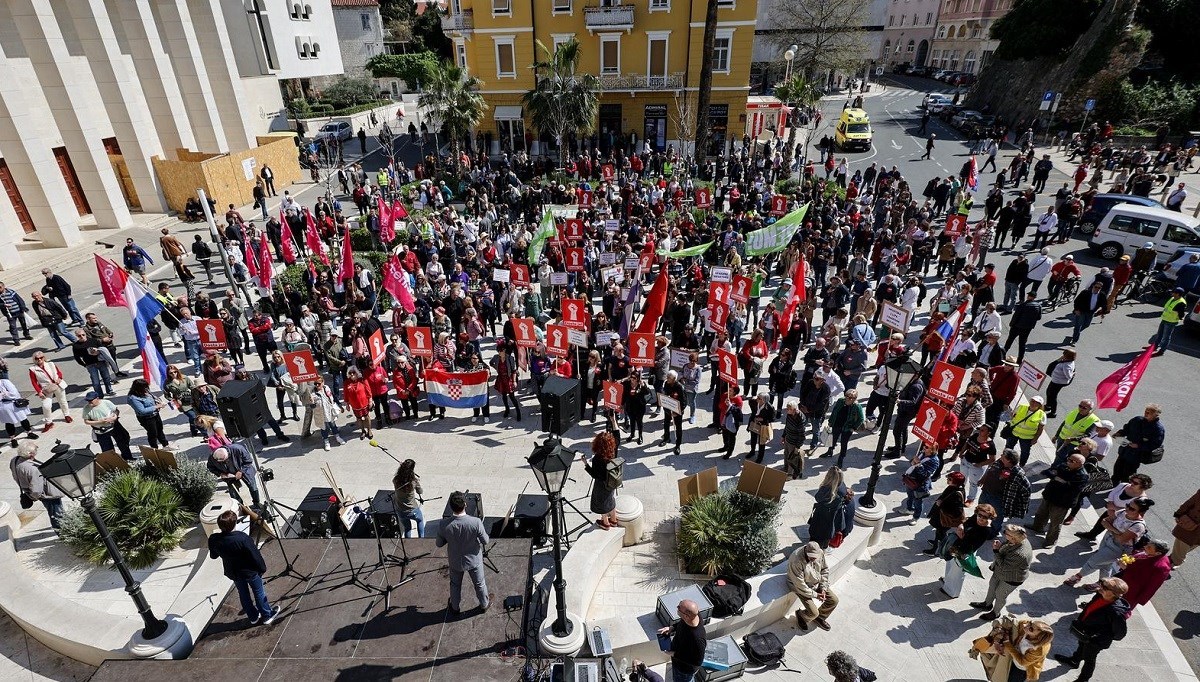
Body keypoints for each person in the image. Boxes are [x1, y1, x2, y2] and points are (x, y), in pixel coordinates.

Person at [208, 510, 279, 626]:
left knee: (243, 594)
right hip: (250, 572)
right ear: (234, 524)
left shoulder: (214, 539)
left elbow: (213, 556)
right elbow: (255, 555)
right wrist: (262, 569)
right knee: (259, 593)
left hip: (234, 572)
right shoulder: (242, 538)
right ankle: (267, 615)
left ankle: (253, 617)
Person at [1052, 578, 1129, 681]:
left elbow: (1120, 633)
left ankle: (1083, 679)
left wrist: (1101, 636)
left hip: (1096, 640)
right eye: (1102, 584)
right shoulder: (1099, 595)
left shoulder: (1116, 612)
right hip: (1085, 631)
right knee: (1081, 646)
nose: (1101, 587)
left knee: (1089, 659)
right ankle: (1074, 661)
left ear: (1114, 593)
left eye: (1105, 587)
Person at [1065, 498, 1153, 586]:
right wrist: (1117, 532)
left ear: (1140, 512)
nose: (1127, 508)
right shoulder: (1122, 512)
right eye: (1128, 505)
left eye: (1132, 508)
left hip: (1119, 548)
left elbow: (1121, 539)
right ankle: (1103, 584)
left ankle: (1077, 577)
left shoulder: (1138, 526)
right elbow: (1104, 521)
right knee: (1106, 565)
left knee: (1094, 560)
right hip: (1107, 539)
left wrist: (1111, 528)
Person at [436, 491, 491, 614]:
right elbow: (485, 541)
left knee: (455, 585)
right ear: (465, 504)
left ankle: (455, 608)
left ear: (451, 507)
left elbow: (439, 544)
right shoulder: (475, 522)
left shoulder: (444, 524)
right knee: (479, 584)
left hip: (455, 560)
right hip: (474, 560)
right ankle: (484, 604)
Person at [971, 524, 1033, 621]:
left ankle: (995, 613)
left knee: (1000, 594)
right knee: (992, 586)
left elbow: (1004, 566)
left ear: (1013, 537)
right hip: (1000, 571)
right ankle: (987, 604)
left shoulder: (1020, 554)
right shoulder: (1016, 539)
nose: (1003, 534)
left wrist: (996, 551)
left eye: (1005, 533)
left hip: (1012, 577)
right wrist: (1001, 547)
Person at [1027, 454, 1088, 548]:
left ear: (1079, 464)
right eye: (1069, 459)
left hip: (1062, 502)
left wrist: (1058, 479)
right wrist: (1059, 479)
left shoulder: (1082, 476)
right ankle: (1037, 527)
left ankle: (1051, 541)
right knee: (1041, 513)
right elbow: (1050, 473)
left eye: (1072, 461)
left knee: (1055, 523)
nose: (1068, 461)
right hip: (1050, 494)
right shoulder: (1064, 466)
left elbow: (1072, 489)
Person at [9, 441, 64, 530]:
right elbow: (36, 490)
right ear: (31, 454)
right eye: (35, 451)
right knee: (57, 515)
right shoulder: (33, 469)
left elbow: (15, 476)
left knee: (54, 513)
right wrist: (34, 497)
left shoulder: (14, 460)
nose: (36, 452)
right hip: (48, 495)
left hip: (28, 490)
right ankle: (62, 532)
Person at [788, 541, 838, 631]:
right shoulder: (796, 560)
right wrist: (816, 595)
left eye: (815, 557)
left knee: (834, 601)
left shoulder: (820, 553)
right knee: (814, 613)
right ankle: (801, 615)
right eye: (811, 556)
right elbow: (800, 585)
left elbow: (824, 569)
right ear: (806, 552)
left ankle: (820, 617)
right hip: (800, 587)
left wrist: (823, 588)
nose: (814, 559)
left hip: (815, 582)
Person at [1110, 403, 1165, 484]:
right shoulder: (1137, 420)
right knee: (1118, 467)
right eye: (1146, 411)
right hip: (1125, 450)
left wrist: (1139, 446)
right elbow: (1126, 429)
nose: (1146, 414)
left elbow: (1155, 444)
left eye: (1149, 413)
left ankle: (1124, 488)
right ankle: (1113, 482)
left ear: (1156, 415)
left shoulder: (1158, 429)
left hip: (1136, 455)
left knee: (1128, 472)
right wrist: (1119, 433)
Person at [1115, 539, 1172, 616]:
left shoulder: (1160, 567)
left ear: (1158, 553)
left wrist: (1126, 568)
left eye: (1149, 547)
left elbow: (1150, 584)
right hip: (1125, 581)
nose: (1145, 547)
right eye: (1147, 545)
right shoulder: (1151, 555)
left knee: (1120, 608)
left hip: (1132, 590)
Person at [657, 598, 706, 682]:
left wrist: (675, 654)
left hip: (684, 670)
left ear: (686, 616)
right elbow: (682, 622)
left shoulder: (697, 638)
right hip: (678, 660)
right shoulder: (691, 618)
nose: (677, 607)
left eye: (679, 607)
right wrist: (672, 628)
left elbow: (697, 661)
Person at [584, 431, 621, 528]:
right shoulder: (613, 451)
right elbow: (617, 437)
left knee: (602, 503)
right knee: (610, 499)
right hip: (612, 481)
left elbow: (595, 475)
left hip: (601, 485)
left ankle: (605, 523)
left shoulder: (597, 458)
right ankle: (613, 520)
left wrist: (586, 464)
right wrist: (614, 422)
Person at [207, 444, 262, 508]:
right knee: (233, 493)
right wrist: (221, 473)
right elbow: (210, 467)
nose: (223, 462)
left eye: (225, 461)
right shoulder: (212, 457)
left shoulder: (238, 449)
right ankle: (240, 507)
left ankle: (256, 503)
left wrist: (241, 471)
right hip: (229, 475)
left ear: (227, 455)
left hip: (245, 470)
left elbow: (248, 461)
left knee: (253, 487)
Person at [27, 352, 71, 432]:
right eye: (37, 358)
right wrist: (39, 392)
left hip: (57, 384)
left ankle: (67, 415)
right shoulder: (33, 369)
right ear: (34, 360)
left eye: (41, 357)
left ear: (44, 357)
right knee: (46, 406)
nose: (39, 359)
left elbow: (59, 372)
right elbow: (34, 382)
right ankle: (49, 422)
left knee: (62, 401)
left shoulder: (50, 364)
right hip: (46, 389)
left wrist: (60, 378)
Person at [821, 389, 864, 467]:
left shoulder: (857, 406)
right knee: (833, 439)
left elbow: (861, 419)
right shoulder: (840, 401)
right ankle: (830, 451)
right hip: (837, 424)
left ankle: (841, 459)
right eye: (847, 396)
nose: (848, 398)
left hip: (847, 428)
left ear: (855, 399)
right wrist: (831, 421)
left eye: (851, 398)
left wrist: (854, 428)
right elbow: (834, 411)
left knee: (844, 444)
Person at [127, 379, 171, 450]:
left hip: (155, 414)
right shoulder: (133, 398)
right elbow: (142, 410)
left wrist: (157, 403)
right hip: (146, 418)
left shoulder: (146, 391)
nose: (147, 389)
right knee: (153, 433)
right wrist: (156, 407)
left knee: (160, 430)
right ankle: (154, 448)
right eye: (145, 387)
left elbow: (152, 398)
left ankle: (165, 445)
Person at [902, 444, 940, 524]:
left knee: (918, 501)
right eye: (924, 446)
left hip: (920, 484)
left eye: (926, 447)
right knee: (910, 496)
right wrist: (913, 461)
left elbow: (926, 474)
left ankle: (916, 517)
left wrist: (919, 464)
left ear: (932, 450)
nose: (924, 448)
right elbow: (912, 463)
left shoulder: (934, 460)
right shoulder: (922, 453)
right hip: (911, 479)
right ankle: (909, 509)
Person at [1002, 396, 1045, 467]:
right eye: (1032, 401)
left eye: (1036, 402)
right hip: (1014, 433)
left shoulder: (1042, 414)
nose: (1033, 403)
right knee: (1008, 447)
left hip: (1027, 438)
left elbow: (1040, 429)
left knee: (1025, 452)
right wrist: (1011, 415)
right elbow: (1012, 416)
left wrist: (1035, 439)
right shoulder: (1021, 407)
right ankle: (1004, 460)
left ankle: (1021, 465)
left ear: (1040, 405)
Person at [0, 376, 38, 450]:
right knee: (9, 422)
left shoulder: (4, 381)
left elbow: (14, 393)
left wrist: (3, 394)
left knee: (23, 419)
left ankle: (29, 432)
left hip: (13, 404)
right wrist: (4, 394)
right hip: (3, 406)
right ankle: (12, 439)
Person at [391, 459, 425, 538]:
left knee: (407, 528)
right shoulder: (413, 482)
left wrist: (403, 467)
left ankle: (408, 543)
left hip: (400, 509)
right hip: (412, 509)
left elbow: (402, 476)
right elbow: (420, 491)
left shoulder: (396, 480)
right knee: (420, 521)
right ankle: (422, 539)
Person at [1170, 488, 1200, 567]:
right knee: (1181, 541)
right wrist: (1179, 514)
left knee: (1191, 543)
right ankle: (1175, 559)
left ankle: (1176, 560)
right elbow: (1190, 502)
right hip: (1190, 521)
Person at [1153, 287, 1189, 354]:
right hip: (1164, 319)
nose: (1172, 293)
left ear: (1178, 294)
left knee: (1166, 337)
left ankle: (1161, 351)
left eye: (1173, 292)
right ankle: (1154, 347)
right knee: (1159, 334)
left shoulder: (1181, 303)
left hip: (1171, 322)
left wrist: (1179, 318)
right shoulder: (1173, 298)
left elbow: (1181, 314)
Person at [780, 397, 809, 480]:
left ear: (794, 409)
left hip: (794, 442)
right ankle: (785, 468)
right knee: (786, 455)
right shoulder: (789, 415)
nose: (787, 410)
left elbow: (802, 435)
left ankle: (789, 475)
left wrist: (797, 446)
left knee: (792, 459)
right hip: (787, 438)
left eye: (788, 409)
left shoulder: (800, 419)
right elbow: (787, 426)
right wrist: (783, 436)